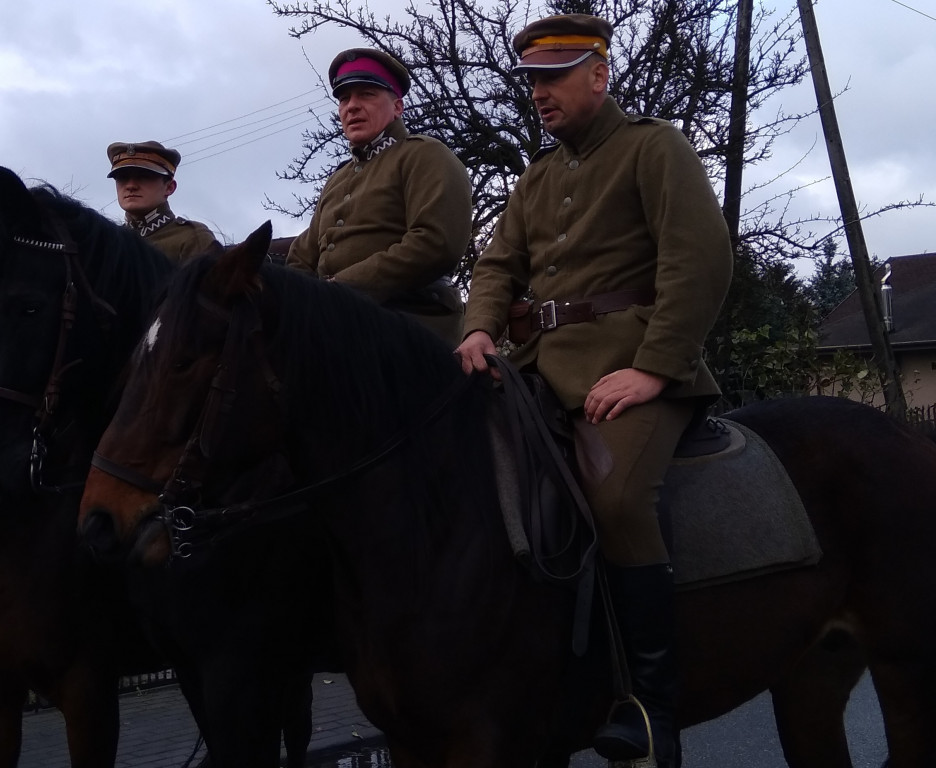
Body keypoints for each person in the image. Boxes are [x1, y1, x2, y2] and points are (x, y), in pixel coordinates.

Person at [455, 14, 732, 768]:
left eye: (554, 76)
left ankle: (651, 708)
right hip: (538, 368)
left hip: (637, 370)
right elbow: (494, 267)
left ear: (600, 74)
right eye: (532, 81)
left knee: (614, 499)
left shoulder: (653, 146)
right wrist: (479, 329)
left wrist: (653, 367)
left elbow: (699, 259)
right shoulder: (539, 177)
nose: (539, 93)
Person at [286, 48, 472, 347]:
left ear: (397, 107)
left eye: (367, 94)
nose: (352, 107)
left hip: (409, 326)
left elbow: (436, 243)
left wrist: (339, 291)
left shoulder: (423, 155)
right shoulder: (339, 178)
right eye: (344, 99)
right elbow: (301, 258)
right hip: (337, 325)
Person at [106, 140, 219, 264]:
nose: (131, 186)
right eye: (122, 177)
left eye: (144, 176)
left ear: (169, 187)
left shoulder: (191, 237)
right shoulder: (108, 241)